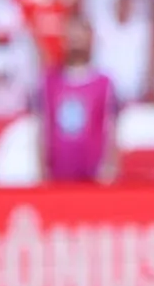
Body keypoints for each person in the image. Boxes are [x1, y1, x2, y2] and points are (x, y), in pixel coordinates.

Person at [39, 21, 118, 184]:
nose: (76, 42)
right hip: (58, 173)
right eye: (72, 38)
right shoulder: (50, 82)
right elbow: (43, 126)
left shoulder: (103, 83)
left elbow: (111, 127)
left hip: (93, 173)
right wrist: (42, 168)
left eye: (80, 37)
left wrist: (110, 165)